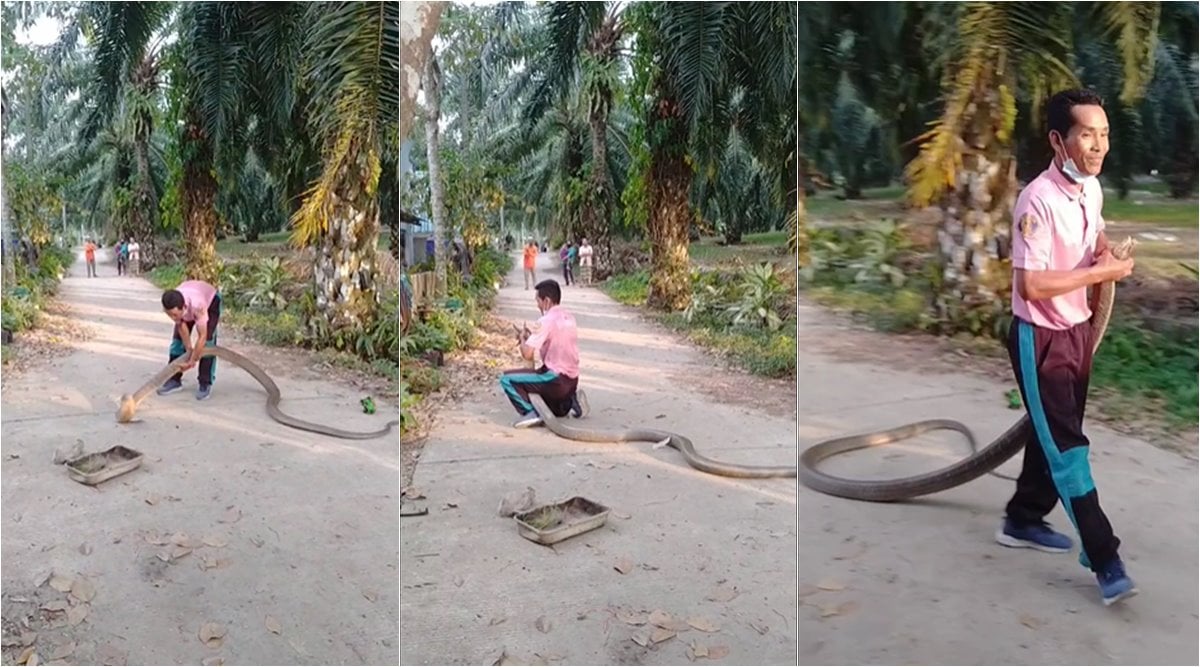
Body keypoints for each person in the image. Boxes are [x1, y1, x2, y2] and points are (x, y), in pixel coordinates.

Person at [999, 88, 1137, 606]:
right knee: (1069, 449)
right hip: (1040, 337)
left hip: (1077, 329)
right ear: (1059, 140)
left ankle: (1022, 518)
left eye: (1104, 134)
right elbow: (1031, 285)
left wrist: (1105, 253)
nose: (1099, 145)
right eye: (1087, 134)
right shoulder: (1037, 201)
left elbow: (1093, 240)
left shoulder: (1090, 189)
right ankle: (1105, 559)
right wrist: (1102, 271)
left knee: (1055, 433)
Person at [499, 279, 589, 428]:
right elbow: (554, 340)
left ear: (546, 301)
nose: (537, 305)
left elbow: (527, 354)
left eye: (538, 300)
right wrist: (531, 338)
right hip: (572, 381)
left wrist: (522, 339)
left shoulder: (546, 320)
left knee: (507, 379)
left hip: (555, 379)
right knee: (552, 406)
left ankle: (532, 413)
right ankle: (571, 400)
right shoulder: (569, 317)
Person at [156, 279, 223, 401]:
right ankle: (174, 380)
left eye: (174, 315)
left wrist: (192, 361)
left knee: (207, 343)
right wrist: (189, 350)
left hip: (210, 301)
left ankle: (205, 383)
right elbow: (181, 325)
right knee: (177, 344)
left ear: (184, 308)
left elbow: (202, 336)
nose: (172, 318)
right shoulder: (173, 301)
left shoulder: (198, 306)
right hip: (190, 296)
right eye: (169, 314)